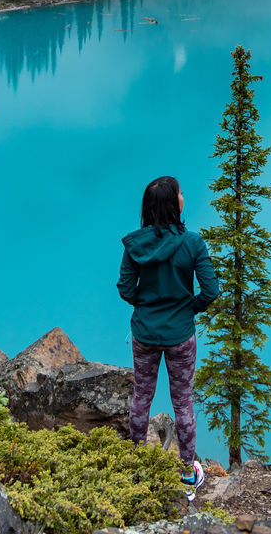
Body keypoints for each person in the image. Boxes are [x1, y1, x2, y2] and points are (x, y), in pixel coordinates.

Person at [117, 175, 219, 494]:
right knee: (183, 403)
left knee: (141, 398)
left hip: (144, 332)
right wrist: (189, 307)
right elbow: (211, 291)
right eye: (181, 193)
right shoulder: (192, 243)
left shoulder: (134, 244)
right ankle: (188, 474)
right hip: (180, 336)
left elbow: (124, 288)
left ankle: (135, 465)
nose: (184, 197)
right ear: (174, 203)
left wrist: (147, 304)